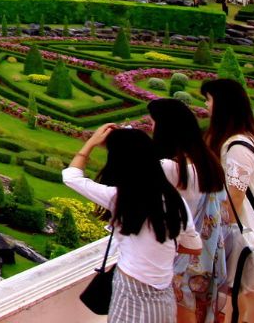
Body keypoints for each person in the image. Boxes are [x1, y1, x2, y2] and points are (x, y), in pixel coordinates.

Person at [64, 123, 201, 322]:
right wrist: (159, 247)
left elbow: (71, 177)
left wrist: (91, 143)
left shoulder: (121, 197)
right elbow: (194, 247)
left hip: (130, 284)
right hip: (163, 291)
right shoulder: (174, 200)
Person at [149, 97, 228, 323]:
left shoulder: (170, 168)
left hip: (177, 256)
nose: (151, 127)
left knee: (181, 314)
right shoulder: (208, 163)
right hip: (205, 256)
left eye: (153, 122)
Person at [203, 78, 254, 322]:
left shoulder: (236, 146)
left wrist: (211, 230)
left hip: (243, 233)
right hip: (246, 230)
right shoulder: (246, 139)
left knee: (245, 301)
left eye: (209, 100)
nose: (206, 106)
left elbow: (234, 196)